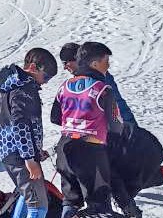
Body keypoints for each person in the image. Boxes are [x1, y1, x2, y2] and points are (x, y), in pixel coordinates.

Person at [50, 42, 123, 218]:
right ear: (95, 64)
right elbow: (116, 125)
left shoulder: (64, 86)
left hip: (65, 148)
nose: (108, 65)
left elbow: (54, 117)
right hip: (91, 151)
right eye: (106, 61)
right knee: (98, 205)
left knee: (70, 199)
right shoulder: (103, 89)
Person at [0, 48, 58, 218]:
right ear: (34, 67)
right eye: (46, 76)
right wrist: (29, 158)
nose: (46, 82)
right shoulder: (24, 88)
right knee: (38, 206)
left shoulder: (6, 86)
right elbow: (20, 125)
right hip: (21, 156)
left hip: (9, 152)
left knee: (27, 197)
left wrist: (34, 150)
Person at [59, 43, 137, 126]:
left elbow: (117, 105)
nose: (64, 67)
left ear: (76, 59)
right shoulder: (80, 80)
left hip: (112, 131)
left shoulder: (99, 78)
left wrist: (131, 128)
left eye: (65, 63)